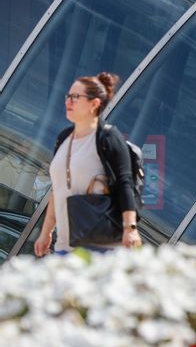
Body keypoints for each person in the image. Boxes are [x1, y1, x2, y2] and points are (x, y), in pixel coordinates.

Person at [35, 73, 142, 256]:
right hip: (65, 245)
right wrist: (46, 232)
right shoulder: (63, 139)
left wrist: (130, 228)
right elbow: (58, 190)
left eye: (76, 97)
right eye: (68, 96)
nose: (69, 101)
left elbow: (125, 184)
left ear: (94, 104)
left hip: (100, 246)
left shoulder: (107, 137)